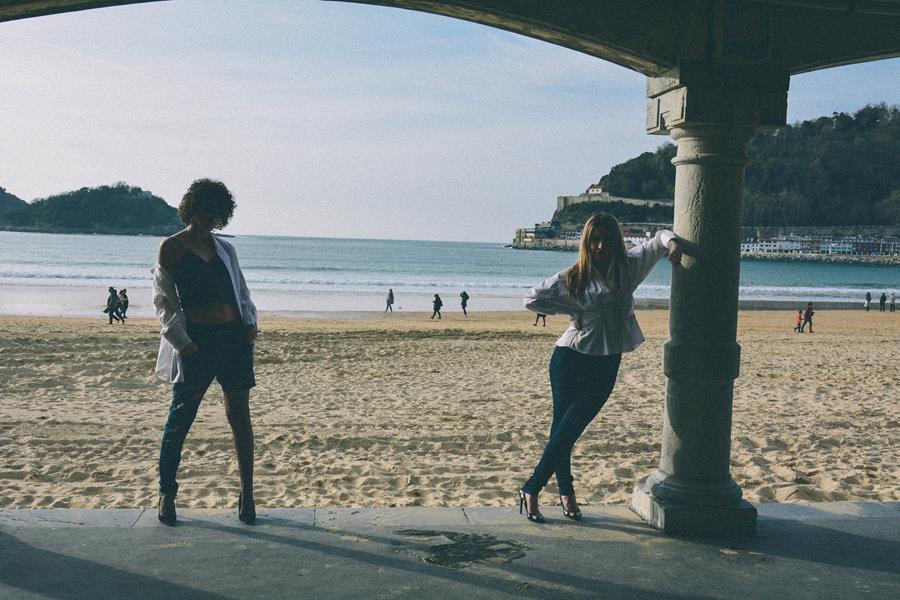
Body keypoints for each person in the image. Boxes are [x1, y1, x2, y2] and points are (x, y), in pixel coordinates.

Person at [520, 214, 682, 523]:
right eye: (594, 240)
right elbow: (532, 298)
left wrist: (673, 244)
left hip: (608, 359)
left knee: (567, 430)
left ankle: (536, 488)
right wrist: (571, 310)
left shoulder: (629, 267)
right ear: (586, 243)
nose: (600, 246)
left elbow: (658, 238)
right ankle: (549, 491)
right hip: (569, 358)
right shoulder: (575, 275)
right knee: (564, 430)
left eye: (606, 240)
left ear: (616, 242)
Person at [151, 178, 258, 526]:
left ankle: (248, 494)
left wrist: (250, 325)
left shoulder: (225, 249)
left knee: (240, 418)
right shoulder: (172, 248)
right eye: (205, 213)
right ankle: (167, 493)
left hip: (233, 340)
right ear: (192, 209)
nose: (210, 220)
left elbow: (241, 290)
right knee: (181, 418)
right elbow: (164, 303)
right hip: (197, 342)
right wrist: (185, 343)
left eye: (216, 215)